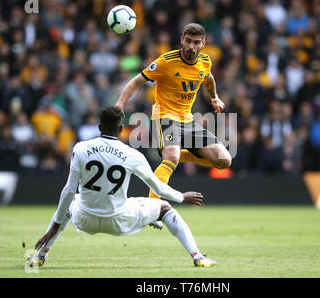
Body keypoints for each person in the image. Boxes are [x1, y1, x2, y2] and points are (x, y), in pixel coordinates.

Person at [27, 107, 217, 268]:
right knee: (165, 209)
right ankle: (197, 257)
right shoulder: (132, 154)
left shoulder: (80, 148)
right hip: (120, 219)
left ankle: (40, 256)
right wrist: (182, 197)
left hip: (85, 218)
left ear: (99, 127)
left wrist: (56, 225)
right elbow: (158, 188)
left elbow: (68, 190)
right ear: (121, 128)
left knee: (71, 201)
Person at [115, 23, 232, 228]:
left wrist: (214, 97)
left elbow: (209, 78)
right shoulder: (165, 62)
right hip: (165, 116)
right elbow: (135, 82)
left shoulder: (205, 61)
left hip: (188, 120)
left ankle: (182, 153)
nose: (191, 46)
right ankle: (153, 208)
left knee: (224, 161)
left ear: (203, 44)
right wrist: (119, 104)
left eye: (196, 43)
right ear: (181, 40)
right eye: (188, 41)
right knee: (171, 157)